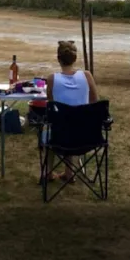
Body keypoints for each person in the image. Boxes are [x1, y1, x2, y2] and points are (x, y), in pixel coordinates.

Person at [41, 40, 99, 182]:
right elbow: (95, 103)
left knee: (55, 127)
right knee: (73, 122)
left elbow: (51, 104)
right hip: (87, 137)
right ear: (75, 58)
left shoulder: (52, 79)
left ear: (58, 58)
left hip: (60, 137)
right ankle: (69, 173)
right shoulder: (87, 76)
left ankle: (48, 173)